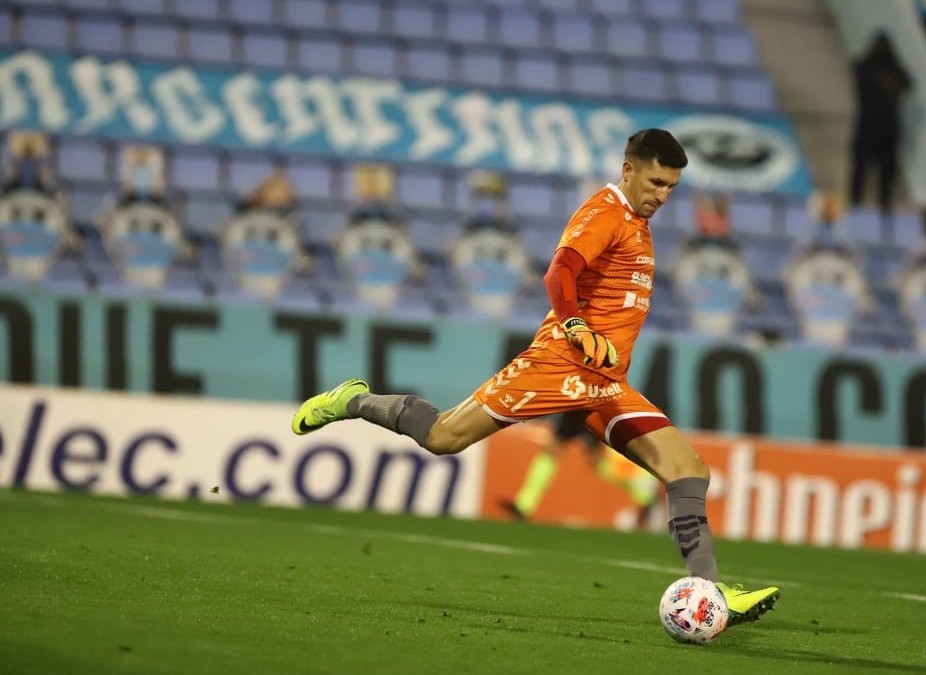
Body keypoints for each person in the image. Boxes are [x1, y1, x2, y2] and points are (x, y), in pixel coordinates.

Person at [290, 129, 780, 626]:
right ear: (628, 169)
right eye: (656, 182)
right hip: (558, 367)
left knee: (688, 470)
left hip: (604, 383)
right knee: (443, 437)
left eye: (672, 187)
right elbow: (559, 271)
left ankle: (711, 591)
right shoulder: (605, 212)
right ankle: (353, 400)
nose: (663, 195)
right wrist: (576, 326)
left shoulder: (637, 222)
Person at [498, 413, 659, 525]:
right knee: (551, 449)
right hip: (575, 406)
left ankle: (643, 488)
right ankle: (524, 505)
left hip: (593, 407)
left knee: (597, 461)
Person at [849, 31, 911, 222]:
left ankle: (885, 211)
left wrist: (890, 82)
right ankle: (854, 207)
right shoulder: (866, 66)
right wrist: (884, 83)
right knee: (860, 171)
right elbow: (860, 74)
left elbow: (907, 84)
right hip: (866, 126)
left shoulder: (894, 68)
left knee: (886, 174)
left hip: (888, 128)